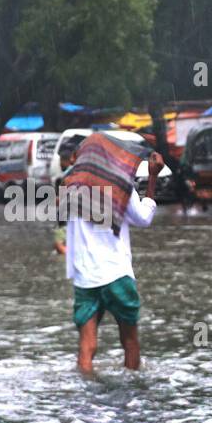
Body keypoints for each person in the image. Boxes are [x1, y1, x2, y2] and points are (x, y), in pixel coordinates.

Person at [61, 133, 162, 373]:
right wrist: (152, 177)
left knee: (87, 347)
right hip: (116, 274)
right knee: (129, 341)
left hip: (84, 276)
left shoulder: (70, 184)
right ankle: (133, 392)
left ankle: (86, 398)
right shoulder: (120, 184)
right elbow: (144, 219)